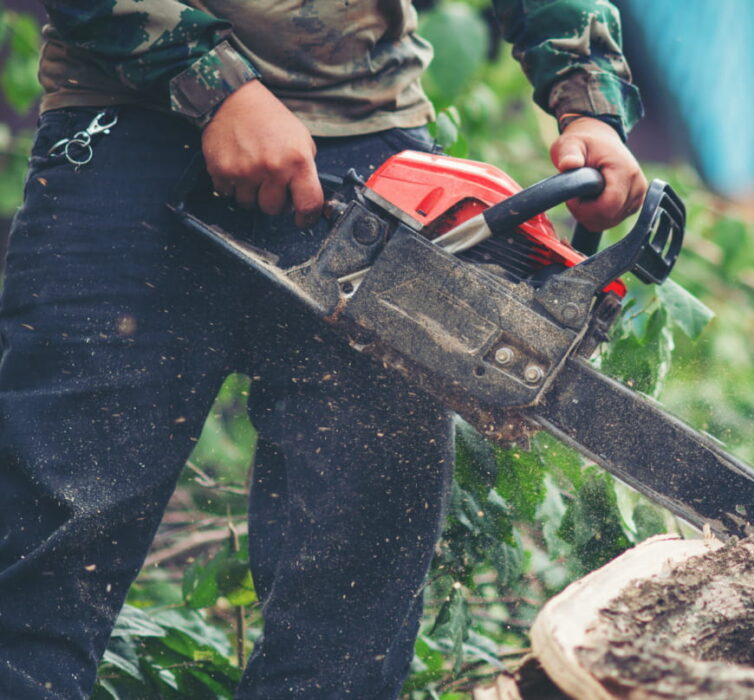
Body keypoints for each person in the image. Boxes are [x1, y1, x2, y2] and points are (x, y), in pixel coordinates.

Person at [0, 1, 647, 697]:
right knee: (45, 557)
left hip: (374, 147)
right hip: (129, 126)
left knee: (350, 607)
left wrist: (588, 104)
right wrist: (212, 84)